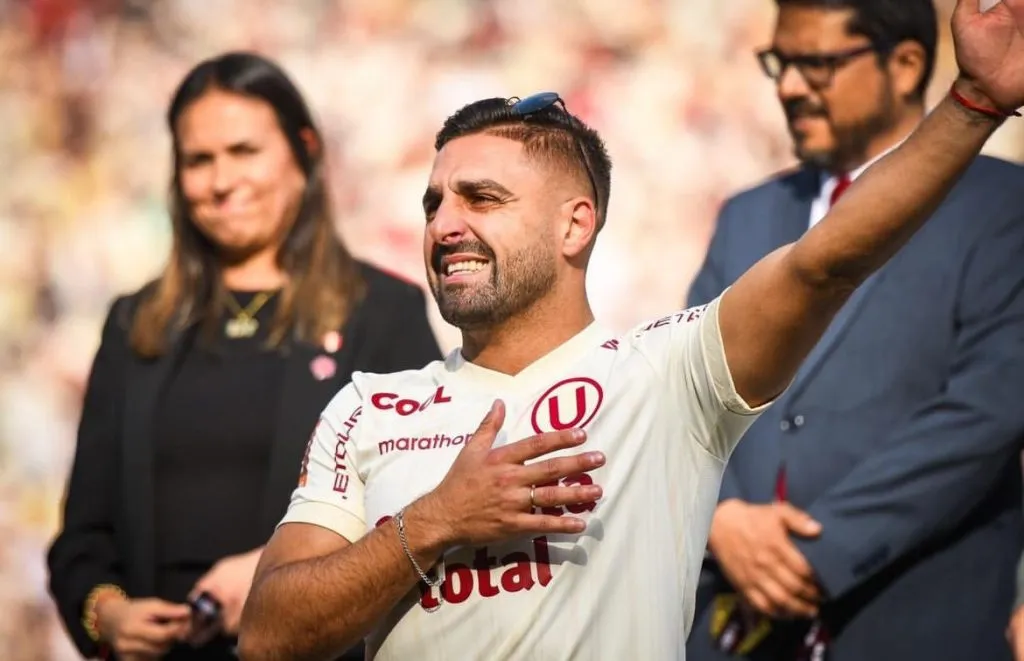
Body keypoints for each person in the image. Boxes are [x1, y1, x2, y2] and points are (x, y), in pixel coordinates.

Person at [236, 2, 1024, 658]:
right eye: (433, 203)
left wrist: (975, 105)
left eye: (482, 197)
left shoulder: (667, 374)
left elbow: (824, 263)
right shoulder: (370, 406)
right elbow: (268, 635)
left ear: (576, 224)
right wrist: (436, 522)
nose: (445, 224)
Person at [45, 51, 441, 661]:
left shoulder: (383, 313)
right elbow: (83, 537)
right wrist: (109, 614)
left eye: (244, 151)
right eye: (198, 160)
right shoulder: (134, 324)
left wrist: (273, 571)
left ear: (303, 150)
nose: (221, 180)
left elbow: (420, 509)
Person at [683, 1, 1024, 659]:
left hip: (913, 621)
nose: (787, 86)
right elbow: (689, 396)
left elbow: (989, 410)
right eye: (779, 63)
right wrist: (719, 518)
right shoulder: (746, 217)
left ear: (905, 65)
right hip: (731, 627)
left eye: (815, 64)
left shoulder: (1003, 207)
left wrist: (818, 551)